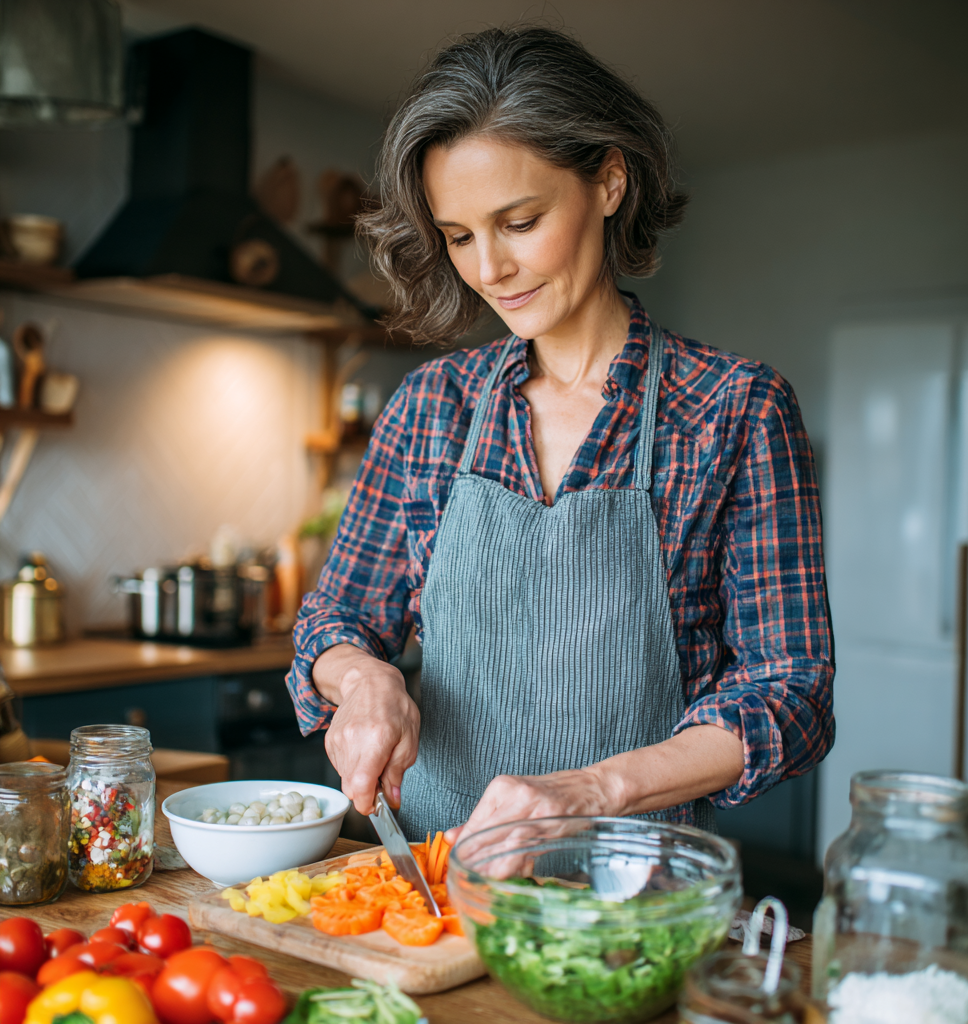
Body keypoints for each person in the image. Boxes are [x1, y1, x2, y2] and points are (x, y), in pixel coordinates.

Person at [286, 26, 834, 844]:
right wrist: (364, 680)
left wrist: (591, 790)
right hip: (435, 893)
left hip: (635, 904)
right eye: (460, 236)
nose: (489, 270)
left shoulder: (736, 409)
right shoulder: (432, 407)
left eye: (520, 221)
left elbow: (789, 691)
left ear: (609, 181)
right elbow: (334, 618)